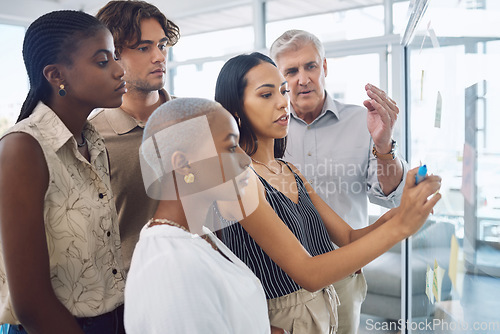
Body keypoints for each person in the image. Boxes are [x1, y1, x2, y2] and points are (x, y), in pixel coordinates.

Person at [214, 52, 440, 334]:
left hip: (325, 308)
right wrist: (401, 226)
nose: (283, 101)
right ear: (235, 110)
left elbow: (347, 237)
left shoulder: (289, 170)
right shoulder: (237, 178)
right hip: (282, 320)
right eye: (265, 95)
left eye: (283, 91)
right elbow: (308, 273)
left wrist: (404, 210)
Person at [269, 29, 407, 333]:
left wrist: (384, 147)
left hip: (343, 272)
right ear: (278, 78)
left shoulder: (363, 121)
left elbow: (388, 196)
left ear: (325, 67)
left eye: (310, 66)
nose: (302, 78)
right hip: (281, 280)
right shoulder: (267, 128)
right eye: (291, 71)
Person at [0, 10, 127, 334]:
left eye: (114, 57)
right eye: (102, 61)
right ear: (56, 75)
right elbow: (30, 303)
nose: (119, 70)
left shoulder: (92, 141)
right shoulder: (23, 148)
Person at [124, 97, 274, 333]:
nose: (245, 160)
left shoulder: (196, 235)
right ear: (183, 164)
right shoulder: (170, 266)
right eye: (231, 147)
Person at [89, 0, 180, 273]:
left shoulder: (196, 119)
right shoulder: (90, 138)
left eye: (162, 45)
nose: (160, 57)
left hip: (200, 285)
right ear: (111, 56)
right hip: (130, 299)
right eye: (144, 48)